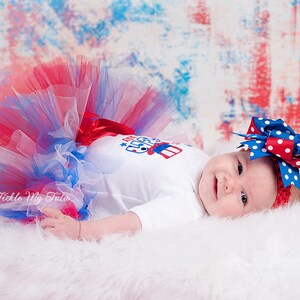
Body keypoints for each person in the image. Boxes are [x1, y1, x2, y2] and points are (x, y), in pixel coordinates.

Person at [0, 57, 299, 241]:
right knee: (25, 115)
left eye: (244, 198)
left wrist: (79, 232)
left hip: (66, 176)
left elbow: (129, 224)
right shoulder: (201, 158)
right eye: (239, 167)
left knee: (11, 160)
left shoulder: (184, 207)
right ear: (236, 151)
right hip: (80, 139)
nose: (231, 184)